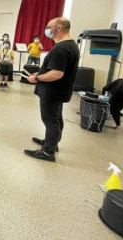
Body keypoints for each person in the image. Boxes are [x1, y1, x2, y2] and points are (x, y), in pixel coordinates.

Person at [24, 17, 80, 162]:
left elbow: (56, 73)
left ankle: (48, 152)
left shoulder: (61, 49)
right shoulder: (70, 45)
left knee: (50, 120)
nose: (47, 30)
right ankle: (51, 143)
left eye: (49, 27)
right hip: (60, 90)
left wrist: (36, 78)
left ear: (59, 28)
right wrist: (40, 74)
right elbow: (56, 69)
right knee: (56, 118)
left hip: (52, 91)